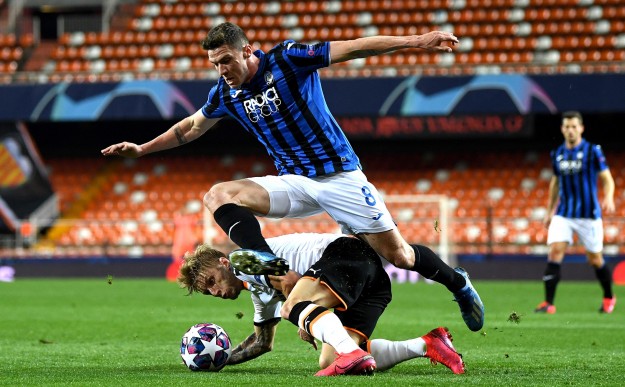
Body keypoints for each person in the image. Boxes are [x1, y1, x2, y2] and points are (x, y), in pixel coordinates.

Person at [102, 22, 484, 331]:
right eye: (214, 64)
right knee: (218, 195)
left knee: (399, 256)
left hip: (339, 176)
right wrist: (142, 148)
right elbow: (189, 128)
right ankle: (270, 266)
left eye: (226, 61)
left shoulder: (287, 59)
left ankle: (458, 283)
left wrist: (417, 41)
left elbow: (352, 47)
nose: (222, 70)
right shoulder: (225, 94)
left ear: (247, 51)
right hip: (294, 182)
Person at [177, 232, 466, 376]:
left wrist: (303, 317)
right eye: (208, 292)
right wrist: (221, 359)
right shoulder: (258, 292)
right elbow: (262, 342)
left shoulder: (243, 259)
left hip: (346, 252)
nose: (215, 291)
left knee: (293, 309)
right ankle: (428, 344)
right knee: (329, 359)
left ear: (223, 263)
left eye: (212, 281)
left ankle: (350, 350)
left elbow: (288, 280)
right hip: (372, 283)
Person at [535, 111, 617, 314]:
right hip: (564, 213)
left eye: (574, 126)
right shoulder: (558, 154)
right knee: (554, 252)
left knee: (595, 259)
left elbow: (606, 178)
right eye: (567, 127)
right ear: (562, 129)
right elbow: (555, 184)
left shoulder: (592, 151)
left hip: (589, 214)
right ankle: (549, 303)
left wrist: (608, 196)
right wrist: (549, 211)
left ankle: (608, 296)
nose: (570, 130)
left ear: (581, 128)